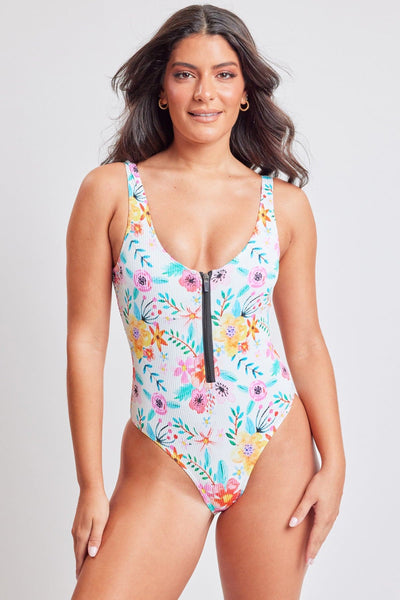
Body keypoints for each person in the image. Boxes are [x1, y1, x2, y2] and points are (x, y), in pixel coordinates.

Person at [66, 4, 346, 599]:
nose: (204, 93)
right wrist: (90, 483)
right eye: (184, 74)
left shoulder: (284, 205)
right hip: (163, 450)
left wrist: (336, 461)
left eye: (223, 74)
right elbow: (86, 342)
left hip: (274, 442)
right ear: (161, 89)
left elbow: (305, 341)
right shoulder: (110, 192)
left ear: (244, 92)